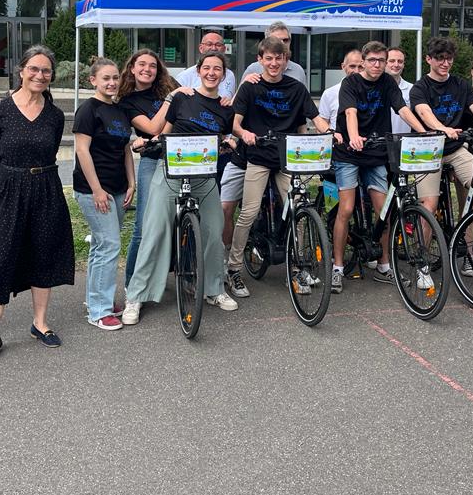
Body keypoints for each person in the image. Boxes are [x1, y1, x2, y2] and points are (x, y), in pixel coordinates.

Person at [0, 46, 75, 366]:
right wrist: (3, 184)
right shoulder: (0, 112)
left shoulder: (55, 115)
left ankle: (40, 323)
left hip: (46, 187)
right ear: (21, 71)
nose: (39, 75)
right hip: (10, 188)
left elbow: (50, 151)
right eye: (34, 69)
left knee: (43, 254)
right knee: (2, 257)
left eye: (46, 71)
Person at [123, 51, 239, 324]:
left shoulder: (225, 107)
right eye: (207, 68)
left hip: (204, 176)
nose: (212, 72)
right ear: (198, 71)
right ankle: (136, 296)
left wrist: (229, 142)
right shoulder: (181, 98)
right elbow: (165, 131)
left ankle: (214, 288)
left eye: (217, 69)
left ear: (223, 75)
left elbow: (223, 135)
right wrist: (148, 142)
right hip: (172, 172)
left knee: (213, 230)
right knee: (155, 231)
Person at [227, 36, 331, 296]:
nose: (274, 63)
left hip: (287, 158)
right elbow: (235, 123)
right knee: (248, 212)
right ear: (260, 60)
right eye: (269, 58)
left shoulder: (296, 88)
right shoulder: (250, 87)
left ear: (286, 60)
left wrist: (331, 133)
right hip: (259, 156)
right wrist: (245, 134)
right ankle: (234, 268)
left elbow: (316, 118)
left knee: (299, 209)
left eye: (279, 58)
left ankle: (297, 267)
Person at [333, 41, 427, 293]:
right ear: (363, 61)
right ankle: (338, 267)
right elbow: (350, 112)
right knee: (347, 208)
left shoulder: (388, 83)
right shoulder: (350, 83)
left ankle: (384, 265)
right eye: (372, 60)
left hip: (376, 153)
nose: (377, 65)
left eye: (381, 61)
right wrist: (353, 136)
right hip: (349, 153)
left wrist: (425, 131)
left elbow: (402, 109)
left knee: (383, 211)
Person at [410, 37, 473, 277]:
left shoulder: (460, 84)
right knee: (429, 204)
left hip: (455, 147)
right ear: (429, 59)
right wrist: (442, 128)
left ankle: (472, 247)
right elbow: (423, 112)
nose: (445, 63)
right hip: (428, 148)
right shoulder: (420, 88)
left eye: (449, 59)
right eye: (439, 58)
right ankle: (422, 260)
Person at [73, 57, 136, 332]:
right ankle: (99, 311)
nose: (112, 83)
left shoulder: (120, 111)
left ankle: (97, 300)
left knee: (102, 245)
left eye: (115, 78)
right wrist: (97, 190)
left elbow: (125, 149)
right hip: (94, 190)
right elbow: (81, 151)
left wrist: (132, 183)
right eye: (106, 78)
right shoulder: (88, 110)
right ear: (93, 81)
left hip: (118, 187)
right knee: (109, 245)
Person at [116, 49, 178, 287]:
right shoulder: (127, 101)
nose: (147, 69)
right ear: (132, 68)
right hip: (152, 160)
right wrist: (172, 99)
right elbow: (152, 128)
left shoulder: (168, 86)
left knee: (183, 220)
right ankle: (132, 285)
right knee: (143, 225)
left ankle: (186, 277)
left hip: (180, 159)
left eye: (152, 65)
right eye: (141, 64)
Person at [241, 21, 308, 84]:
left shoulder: (298, 70)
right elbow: (239, 96)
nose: (282, 44)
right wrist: (244, 83)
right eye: (277, 40)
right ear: (267, 42)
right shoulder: (253, 69)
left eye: (285, 40)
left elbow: (304, 96)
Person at [175, 32, 238, 98]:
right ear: (201, 48)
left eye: (218, 45)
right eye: (209, 44)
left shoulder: (230, 75)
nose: (213, 48)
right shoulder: (184, 76)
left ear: (224, 49)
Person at [318, 49, 363, 129]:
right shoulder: (329, 94)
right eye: (352, 66)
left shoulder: (372, 92)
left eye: (360, 67)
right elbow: (321, 127)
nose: (356, 71)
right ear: (343, 66)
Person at [386, 46, 415, 135]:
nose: (396, 64)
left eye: (400, 61)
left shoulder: (412, 89)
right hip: (379, 143)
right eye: (392, 61)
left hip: (405, 143)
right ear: (384, 62)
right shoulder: (373, 88)